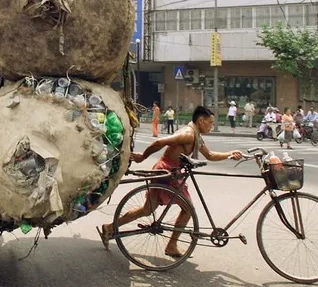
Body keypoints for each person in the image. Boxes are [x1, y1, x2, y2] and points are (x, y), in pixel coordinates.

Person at [97, 106, 243, 255]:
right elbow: (159, 142)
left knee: (148, 209)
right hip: (166, 172)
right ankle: (171, 246)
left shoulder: (196, 135)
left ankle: (109, 228)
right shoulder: (188, 134)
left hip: (169, 172)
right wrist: (142, 157)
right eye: (210, 122)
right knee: (188, 209)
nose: (212, 126)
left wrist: (230, 154)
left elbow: (210, 155)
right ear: (201, 121)